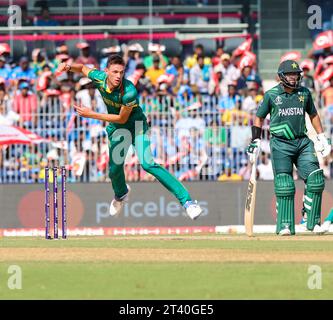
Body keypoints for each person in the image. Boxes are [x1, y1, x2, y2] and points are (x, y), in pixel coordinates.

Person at [55, 54, 203, 219]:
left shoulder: (129, 91)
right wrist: (68, 67)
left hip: (136, 126)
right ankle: (121, 194)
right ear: (106, 72)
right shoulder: (99, 78)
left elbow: (122, 118)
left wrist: (91, 114)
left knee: (148, 164)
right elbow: (83, 68)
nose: (118, 76)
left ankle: (188, 202)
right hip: (118, 130)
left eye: (121, 72)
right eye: (115, 72)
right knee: (114, 170)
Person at [247, 60, 331, 236]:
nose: (294, 77)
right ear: (281, 76)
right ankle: (285, 224)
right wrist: (255, 140)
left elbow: (313, 114)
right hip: (280, 144)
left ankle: (312, 221)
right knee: (285, 185)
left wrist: (321, 136)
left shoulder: (304, 93)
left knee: (316, 179)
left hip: (302, 141)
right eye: (290, 74)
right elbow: (259, 118)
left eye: (296, 74)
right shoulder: (271, 95)